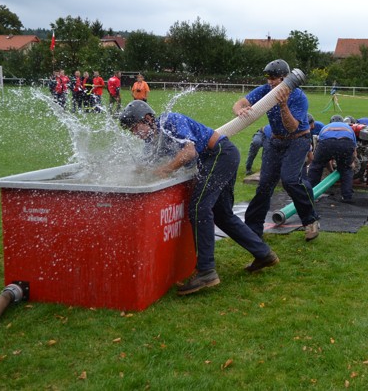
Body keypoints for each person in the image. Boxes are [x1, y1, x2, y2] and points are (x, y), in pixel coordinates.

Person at [118, 101, 278, 296]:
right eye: (131, 130)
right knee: (223, 215)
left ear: (148, 119)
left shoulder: (170, 120)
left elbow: (189, 151)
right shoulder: (153, 142)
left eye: (135, 127)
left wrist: (166, 169)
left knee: (198, 208)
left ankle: (206, 271)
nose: (135, 133)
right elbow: (144, 166)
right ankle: (264, 254)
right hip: (222, 158)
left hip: (220, 155)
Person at [232, 59, 320, 241]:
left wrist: (283, 105)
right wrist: (240, 110)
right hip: (275, 141)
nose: (271, 82)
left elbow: (291, 127)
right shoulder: (265, 91)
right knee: (264, 184)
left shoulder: (299, 97)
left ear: (285, 78)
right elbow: (239, 103)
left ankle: (310, 221)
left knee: (290, 180)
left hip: (298, 139)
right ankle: (252, 229)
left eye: (275, 79)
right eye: (269, 78)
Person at [307, 120, 357, 203]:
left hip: (327, 143)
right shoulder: (349, 128)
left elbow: (324, 154)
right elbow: (354, 150)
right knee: (346, 170)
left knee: (316, 167)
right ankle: (347, 196)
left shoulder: (325, 127)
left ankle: (311, 195)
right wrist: (351, 162)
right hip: (345, 143)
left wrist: (330, 169)